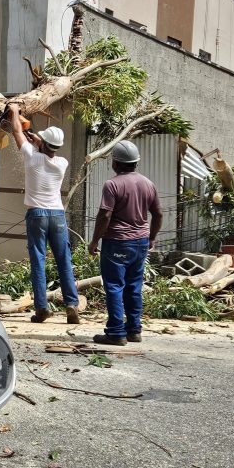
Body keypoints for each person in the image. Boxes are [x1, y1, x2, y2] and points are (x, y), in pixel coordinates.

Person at [7, 104, 80, 324]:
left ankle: (42, 308)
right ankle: (71, 304)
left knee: (38, 260)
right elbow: (46, 152)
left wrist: (14, 112)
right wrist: (40, 143)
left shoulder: (31, 157)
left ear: (43, 142)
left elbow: (17, 131)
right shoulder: (62, 163)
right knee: (63, 259)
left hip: (37, 214)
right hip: (57, 215)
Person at [88, 140, 162, 346]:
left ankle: (116, 333)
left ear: (116, 163)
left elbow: (105, 215)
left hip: (117, 242)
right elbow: (158, 213)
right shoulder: (149, 184)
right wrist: (152, 237)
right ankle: (134, 330)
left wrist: (95, 240)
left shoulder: (112, 184)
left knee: (114, 287)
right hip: (140, 243)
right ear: (136, 162)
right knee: (134, 287)